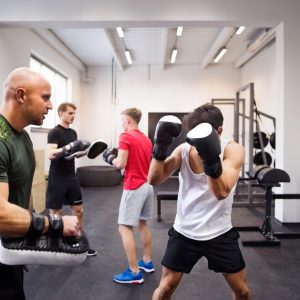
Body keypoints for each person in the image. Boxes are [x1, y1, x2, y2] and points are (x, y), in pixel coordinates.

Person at [149, 104, 251, 300]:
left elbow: (221, 192)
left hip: (219, 232)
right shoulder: (184, 149)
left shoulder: (233, 150)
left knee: (242, 290)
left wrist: (210, 157)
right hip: (185, 231)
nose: (197, 145)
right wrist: (159, 148)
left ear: (219, 131)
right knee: (165, 288)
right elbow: (154, 179)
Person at [0, 67, 80, 300]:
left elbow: (23, 191)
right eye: (45, 97)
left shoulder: (22, 137)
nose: (50, 105)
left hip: (10, 245)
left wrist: (32, 227)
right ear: (21, 95)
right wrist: (53, 224)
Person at [103, 107, 154, 284]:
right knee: (142, 223)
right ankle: (147, 262)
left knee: (124, 228)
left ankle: (134, 272)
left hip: (134, 186)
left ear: (129, 120)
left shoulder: (126, 136)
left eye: (122, 120)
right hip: (147, 186)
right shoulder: (146, 139)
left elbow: (121, 164)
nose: (121, 123)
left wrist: (110, 159)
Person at [46, 102, 97, 256]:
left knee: (78, 210)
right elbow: (51, 154)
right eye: (70, 113)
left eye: (74, 113)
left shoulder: (73, 132)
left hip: (71, 175)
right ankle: (56, 243)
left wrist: (86, 151)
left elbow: (72, 155)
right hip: (57, 176)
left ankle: (78, 239)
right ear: (61, 113)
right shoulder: (54, 132)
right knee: (56, 212)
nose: (73, 116)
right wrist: (70, 146)